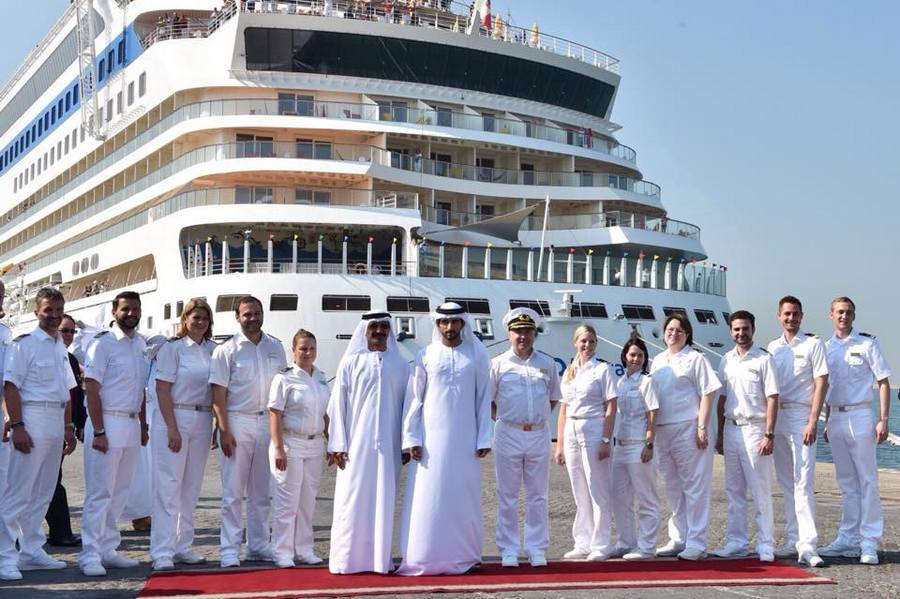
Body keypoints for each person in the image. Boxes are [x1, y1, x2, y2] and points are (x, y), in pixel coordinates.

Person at [398, 302, 492, 575]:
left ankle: (465, 555)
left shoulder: (476, 354)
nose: (449, 327)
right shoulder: (425, 354)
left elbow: (483, 397)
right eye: (444, 322)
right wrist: (412, 438)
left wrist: (484, 438)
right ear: (437, 324)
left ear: (463, 323)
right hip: (431, 440)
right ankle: (423, 555)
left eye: (454, 322)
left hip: (465, 439)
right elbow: (414, 398)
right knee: (429, 495)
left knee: (463, 495)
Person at [0, 288, 77, 581]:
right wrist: (18, 425)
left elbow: (66, 392)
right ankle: (5, 556)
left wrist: (68, 427)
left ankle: (31, 550)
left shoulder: (59, 346)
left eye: (58, 310)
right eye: (48, 310)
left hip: (55, 420)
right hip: (32, 418)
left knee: (43, 491)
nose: (54, 316)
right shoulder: (24, 345)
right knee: (17, 493)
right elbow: (11, 386)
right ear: (36, 312)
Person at [327, 311, 409, 574]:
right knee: (351, 500)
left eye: (384, 327)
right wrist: (337, 444)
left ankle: (379, 561)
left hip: (389, 445)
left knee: (384, 500)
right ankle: (346, 560)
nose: (379, 331)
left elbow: (408, 407)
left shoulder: (401, 365)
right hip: (355, 445)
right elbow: (337, 405)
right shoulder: (351, 362)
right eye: (374, 326)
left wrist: (407, 442)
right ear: (365, 330)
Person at [210, 295, 288, 568]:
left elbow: (283, 389)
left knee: (261, 492)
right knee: (233, 492)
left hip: (267, 423)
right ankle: (229, 550)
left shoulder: (276, 347)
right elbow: (218, 395)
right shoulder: (226, 350)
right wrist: (223, 430)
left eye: (257, 313)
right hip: (237, 420)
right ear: (237, 317)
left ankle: (258, 546)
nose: (253, 318)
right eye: (247, 314)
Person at [79, 290, 149, 577]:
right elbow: (92, 390)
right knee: (100, 493)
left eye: (135, 309)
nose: (131, 314)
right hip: (106, 422)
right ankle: (90, 555)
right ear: (114, 311)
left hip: (131, 425)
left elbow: (140, 390)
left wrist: (143, 425)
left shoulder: (140, 344)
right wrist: (99, 430)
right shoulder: (102, 344)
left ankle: (108, 549)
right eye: (125, 309)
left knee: (120, 492)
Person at [819, 296, 891, 565]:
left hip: (861, 415)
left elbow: (883, 382)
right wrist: (827, 421)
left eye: (848, 312)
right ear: (831, 314)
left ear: (854, 315)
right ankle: (848, 538)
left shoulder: (867, 344)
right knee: (847, 482)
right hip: (836, 417)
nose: (843, 316)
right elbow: (826, 387)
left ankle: (869, 541)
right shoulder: (826, 348)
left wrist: (883, 420)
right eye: (839, 312)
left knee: (868, 480)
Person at [149, 299, 217, 571]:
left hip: (203, 418)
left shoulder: (214, 350)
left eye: (204, 318)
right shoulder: (172, 348)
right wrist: (172, 427)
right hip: (175, 415)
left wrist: (218, 424)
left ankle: (182, 545)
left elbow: (218, 390)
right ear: (185, 318)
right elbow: (162, 389)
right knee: (168, 486)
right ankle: (162, 551)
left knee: (191, 487)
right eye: (195, 317)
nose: (200, 322)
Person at [491, 307, 562, 568]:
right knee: (507, 495)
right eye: (517, 331)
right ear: (509, 334)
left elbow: (553, 397)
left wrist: (534, 418)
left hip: (538, 434)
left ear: (534, 334)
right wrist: (510, 418)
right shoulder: (497, 364)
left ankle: (536, 547)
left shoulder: (547, 363)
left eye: (527, 331)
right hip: (508, 432)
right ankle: (508, 549)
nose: (523, 336)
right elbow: (488, 401)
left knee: (538, 495)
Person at [650, 313, 721, 561]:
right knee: (672, 487)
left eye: (679, 330)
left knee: (695, 487)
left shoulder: (696, 359)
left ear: (687, 334)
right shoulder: (658, 361)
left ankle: (697, 542)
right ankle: (679, 537)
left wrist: (702, 427)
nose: (674, 334)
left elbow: (708, 393)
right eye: (670, 330)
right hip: (663, 430)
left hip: (689, 428)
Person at [766, 296, 827, 567]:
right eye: (787, 314)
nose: (791, 318)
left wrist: (813, 421)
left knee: (803, 482)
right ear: (779, 316)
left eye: (796, 314)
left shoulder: (813, 344)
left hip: (802, 415)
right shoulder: (773, 348)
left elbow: (821, 382)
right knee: (787, 483)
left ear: (802, 316)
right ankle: (794, 539)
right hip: (778, 417)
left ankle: (809, 545)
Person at [713, 310, 779, 562]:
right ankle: (736, 542)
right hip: (731, 429)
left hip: (755, 429)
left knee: (760, 490)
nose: (741, 333)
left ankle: (766, 544)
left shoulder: (764, 359)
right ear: (731, 331)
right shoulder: (726, 360)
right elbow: (722, 399)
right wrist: (719, 434)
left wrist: (769, 434)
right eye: (736, 329)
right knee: (734, 491)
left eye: (745, 328)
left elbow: (773, 398)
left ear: (753, 329)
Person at [554, 324, 617, 561]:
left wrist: (605, 439)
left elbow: (611, 406)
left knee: (597, 486)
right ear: (575, 343)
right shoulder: (569, 372)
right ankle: (583, 541)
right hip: (571, 428)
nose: (587, 345)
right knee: (578, 487)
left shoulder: (602, 370)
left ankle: (601, 544)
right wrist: (560, 444)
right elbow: (563, 410)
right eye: (583, 341)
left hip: (593, 427)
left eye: (591, 341)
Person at [268, 329, 329, 569]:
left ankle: (304, 549)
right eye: (303, 348)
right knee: (287, 502)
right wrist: (278, 448)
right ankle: (282, 551)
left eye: (312, 348)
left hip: (314, 444)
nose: (308, 353)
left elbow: (324, 414)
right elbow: (275, 413)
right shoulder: (284, 378)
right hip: (290, 443)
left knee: (307, 501)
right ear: (293, 350)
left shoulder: (321, 377)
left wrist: (331, 441)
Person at [611, 337, 661, 561]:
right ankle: (626, 542)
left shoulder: (647, 382)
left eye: (640, 355)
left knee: (646, 498)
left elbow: (653, 414)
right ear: (625, 356)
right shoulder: (620, 383)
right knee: (619, 497)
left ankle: (647, 546)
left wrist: (649, 444)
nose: (636, 359)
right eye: (632, 355)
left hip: (639, 445)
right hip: (620, 447)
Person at [44, 314, 84, 547]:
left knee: (53, 479)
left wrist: (78, 425)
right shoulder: (45, 354)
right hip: (46, 424)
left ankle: (60, 532)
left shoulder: (70, 359)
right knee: (50, 480)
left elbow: (75, 397)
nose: (68, 335)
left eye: (72, 331)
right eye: (64, 330)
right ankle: (59, 532)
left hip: (63, 428)